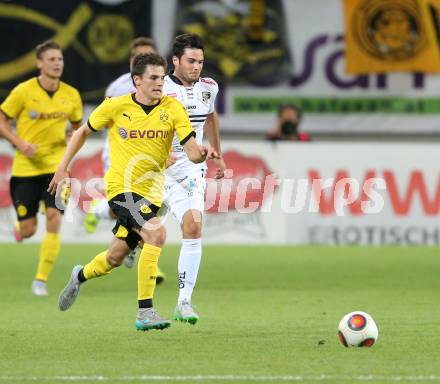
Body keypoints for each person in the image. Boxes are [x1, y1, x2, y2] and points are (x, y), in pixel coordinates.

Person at [48, 53, 218, 331]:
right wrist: (62, 167)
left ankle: (79, 275)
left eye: (162, 78)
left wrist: (203, 155)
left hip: (152, 194)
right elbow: (81, 133)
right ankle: (145, 312)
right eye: (152, 78)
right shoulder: (116, 106)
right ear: (136, 80)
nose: (159, 83)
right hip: (121, 189)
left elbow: (190, 151)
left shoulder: (173, 110)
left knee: (114, 258)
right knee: (156, 233)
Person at [0, 40, 83, 296]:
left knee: (54, 218)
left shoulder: (72, 94)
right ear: (39, 63)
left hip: (56, 169)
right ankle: (20, 228)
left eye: (60, 59)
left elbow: (78, 130)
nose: (57, 63)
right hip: (25, 170)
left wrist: (70, 145)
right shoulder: (23, 91)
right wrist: (18, 142)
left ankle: (41, 279)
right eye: (52, 59)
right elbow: (2, 121)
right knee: (29, 230)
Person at [82, 37, 165, 281]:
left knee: (159, 205)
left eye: (149, 56)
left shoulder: (163, 87)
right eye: (139, 57)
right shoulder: (116, 89)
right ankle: (146, 255)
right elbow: (101, 122)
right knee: (140, 212)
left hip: (153, 158)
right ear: (131, 62)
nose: (144, 61)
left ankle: (99, 212)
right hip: (121, 158)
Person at [162, 33, 226, 324]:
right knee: (123, 247)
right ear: (175, 60)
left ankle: (184, 302)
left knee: (193, 225)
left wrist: (218, 153)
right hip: (155, 167)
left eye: (200, 61)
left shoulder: (209, 87)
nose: (197, 66)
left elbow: (211, 117)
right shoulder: (159, 87)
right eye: (191, 61)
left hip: (190, 167)